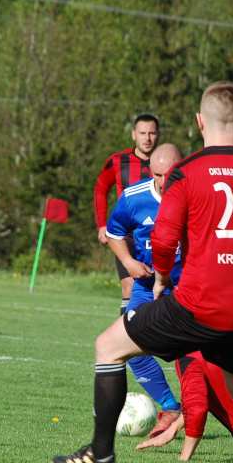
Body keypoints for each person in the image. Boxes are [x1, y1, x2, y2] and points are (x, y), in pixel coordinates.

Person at [53, 81, 233, 463]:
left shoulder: (189, 172)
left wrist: (164, 277)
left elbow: (165, 241)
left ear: (200, 121)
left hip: (199, 303)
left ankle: (101, 453)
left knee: (108, 347)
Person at [105, 143, 184, 438]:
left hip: (187, 290)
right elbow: (114, 233)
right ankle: (171, 408)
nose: (165, 182)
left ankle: (199, 414)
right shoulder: (134, 197)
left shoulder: (198, 196)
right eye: (159, 174)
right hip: (146, 287)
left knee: (198, 356)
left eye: (171, 174)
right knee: (130, 346)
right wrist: (128, 261)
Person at [93, 113, 160, 317]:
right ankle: (128, 338)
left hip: (160, 237)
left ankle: (159, 338)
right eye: (142, 133)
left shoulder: (167, 163)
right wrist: (102, 225)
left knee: (162, 289)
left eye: (152, 133)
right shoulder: (117, 161)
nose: (147, 138)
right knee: (130, 287)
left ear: (158, 135)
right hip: (128, 237)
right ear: (133, 135)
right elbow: (100, 189)